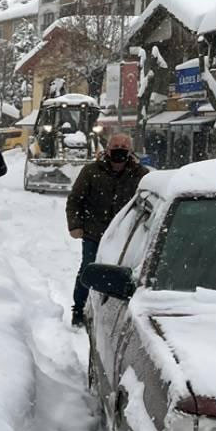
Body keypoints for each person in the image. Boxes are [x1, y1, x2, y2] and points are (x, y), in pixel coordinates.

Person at [66, 132, 148, 328]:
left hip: (126, 235)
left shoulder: (140, 175)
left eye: (124, 146)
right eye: (116, 146)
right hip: (94, 232)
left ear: (130, 151)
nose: (119, 150)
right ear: (108, 149)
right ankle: (78, 309)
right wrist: (75, 225)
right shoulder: (91, 171)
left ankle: (116, 314)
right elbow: (75, 200)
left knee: (124, 275)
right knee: (88, 269)